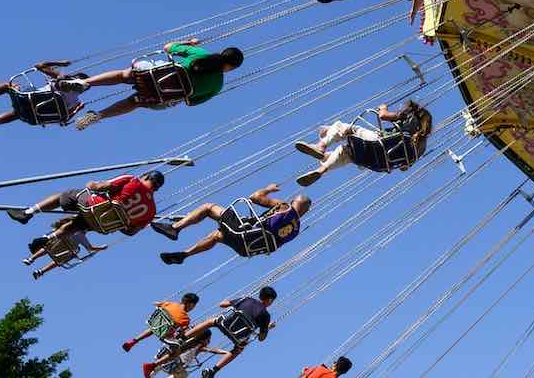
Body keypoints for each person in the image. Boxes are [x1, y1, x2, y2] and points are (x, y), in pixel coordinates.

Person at [68, 39, 244, 130]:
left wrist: (187, 44)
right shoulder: (217, 86)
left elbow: (168, 47)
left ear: (221, 53)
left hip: (149, 76)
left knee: (125, 74)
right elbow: (191, 102)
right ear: (232, 68)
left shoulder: (200, 53)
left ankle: (84, 82)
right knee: (134, 102)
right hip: (159, 97)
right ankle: (99, 115)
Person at [154, 184, 310, 264]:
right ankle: (184, 255)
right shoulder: (296, 229)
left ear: (294, 201)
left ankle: (174, 228)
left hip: (245, 232)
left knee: (209, 207)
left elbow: (255, 197)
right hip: (249, 248)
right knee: (217, 236)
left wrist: (268, 189)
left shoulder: (285, 207)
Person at [292, 100, 433, 186]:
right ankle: (321, 169)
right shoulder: (421, 146)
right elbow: (404, 167)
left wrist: (383, 107)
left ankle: (321, 147)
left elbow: (383, 116)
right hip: (380, 163)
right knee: (347, 151)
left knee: (343, 127)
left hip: (378, 143)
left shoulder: (409, 117)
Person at [0, 61, 90, 135]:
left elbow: (39, 65)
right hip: (34, 117)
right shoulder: (76, 101)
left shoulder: (62, 80)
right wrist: (78, 109)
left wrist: (60, 63)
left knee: (8, 85)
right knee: (18, 114)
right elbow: (64, 119)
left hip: (29, 98)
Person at [174, 287, 279, 378]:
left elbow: (222, 304)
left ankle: (181, 338)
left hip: (225, 324)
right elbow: (261, 338)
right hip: (238, 336)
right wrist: (267, 328)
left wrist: (238, 300)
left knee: (210, 321)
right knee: (238, 350)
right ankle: (213, 371)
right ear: (269, 300)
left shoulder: (247, 299)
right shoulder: (265, 315)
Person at [7, 170, 163, 233]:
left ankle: (28, 213)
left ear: (147, 177)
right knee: (77, 226)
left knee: (65, 195)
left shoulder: (132, 180)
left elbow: (102, 186)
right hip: (102, 225)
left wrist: (92, 184)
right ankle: (49, 238)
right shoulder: (151, 211)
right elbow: (131, 231)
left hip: (93, 207)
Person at [149, 326, 230, 378]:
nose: (209, 342)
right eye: (208, 340)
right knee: (184, 375)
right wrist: (225, 352)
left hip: (172, 359)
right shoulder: (199, 346)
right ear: (202, 340)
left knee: (169, 359)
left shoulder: (189, 339)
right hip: (178, 364)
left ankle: (155, 370)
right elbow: (213, 350)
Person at [23, 220, 106, 278]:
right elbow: (90, 248)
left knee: (48, 247)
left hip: (55, 246)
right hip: (62, 252)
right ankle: (41, 271)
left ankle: (31, 258)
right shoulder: (82, 237)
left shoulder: (69, 229)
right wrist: (101, 248)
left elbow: (56, 229)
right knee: (60, 259)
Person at [124, 292, 200, 353]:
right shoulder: (186, 318)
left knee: (155, 328)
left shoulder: (170, 304)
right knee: (179, 344)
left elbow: (156, 304)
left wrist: (159, 304)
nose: (193, 308)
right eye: (194, 306)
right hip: (166, 335)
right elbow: (182, 332)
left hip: (155, 324)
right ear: (191, 304)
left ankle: (133, 341)